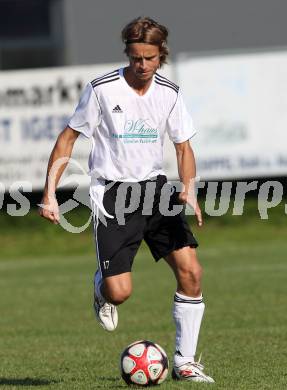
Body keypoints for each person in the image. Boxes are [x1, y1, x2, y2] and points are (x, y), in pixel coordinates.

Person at [39, 16, 214, 383]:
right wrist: (50, 193)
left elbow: (183, 146)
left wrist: (189, 188)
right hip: (113, 194)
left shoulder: (169, 92)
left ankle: (184, 362)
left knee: (192, 273)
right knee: (120, 293)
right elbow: (68, 139)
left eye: (149, 58)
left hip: (156, 191)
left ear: (160, 55)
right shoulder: (103, 89)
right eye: (135, 58)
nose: (142, 65)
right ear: (128, 54)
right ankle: (101, 287)